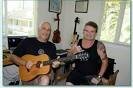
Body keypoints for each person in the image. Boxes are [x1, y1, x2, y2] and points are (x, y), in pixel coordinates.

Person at [66, 21, 108, 85]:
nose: (89, 33)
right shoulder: (77, 42)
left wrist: (99, 77)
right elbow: (68, 58)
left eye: (92, 31)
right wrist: (72, 52)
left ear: (95, 33)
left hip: (91, 76)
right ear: (83, 31)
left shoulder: (99, 45)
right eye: (86, 31)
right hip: (76, 73)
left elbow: (105, 62)